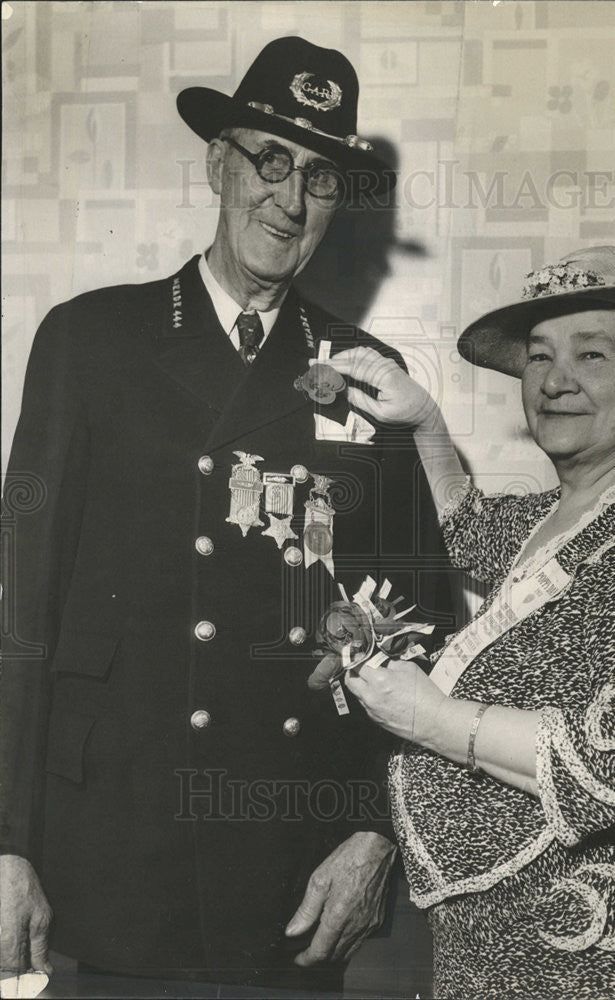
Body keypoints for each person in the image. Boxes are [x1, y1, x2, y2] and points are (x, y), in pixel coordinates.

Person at [0, 36, 451, 994]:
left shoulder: (369, 373)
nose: (288, 200)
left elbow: (416, 620)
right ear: (217, 163)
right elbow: (22, 612)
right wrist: (5, 843)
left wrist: (375, 830)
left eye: (320, 177)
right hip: (118, 841)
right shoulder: (91, 338)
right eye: (269, 161)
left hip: (289, 854)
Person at [327, 245, 615, 999]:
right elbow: (471, 531)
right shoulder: (563, 512)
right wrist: (427, 423)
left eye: (591, 354)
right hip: (523, 944)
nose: (554, 380)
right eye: (539, 357)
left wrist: (433, 719)